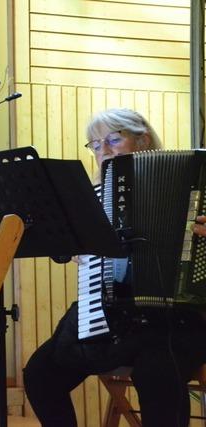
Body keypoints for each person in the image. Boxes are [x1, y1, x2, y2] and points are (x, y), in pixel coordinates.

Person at [23, 108, 206, 427]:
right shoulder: (93, 199)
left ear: (143, 139)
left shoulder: (198, 185)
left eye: (113, 140)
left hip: (180, 319)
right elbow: (67, 246)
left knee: (158, 373)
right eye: (95, 145)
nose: (103, 151)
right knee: (40, 373)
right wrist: (78, 251)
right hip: (115, 318)